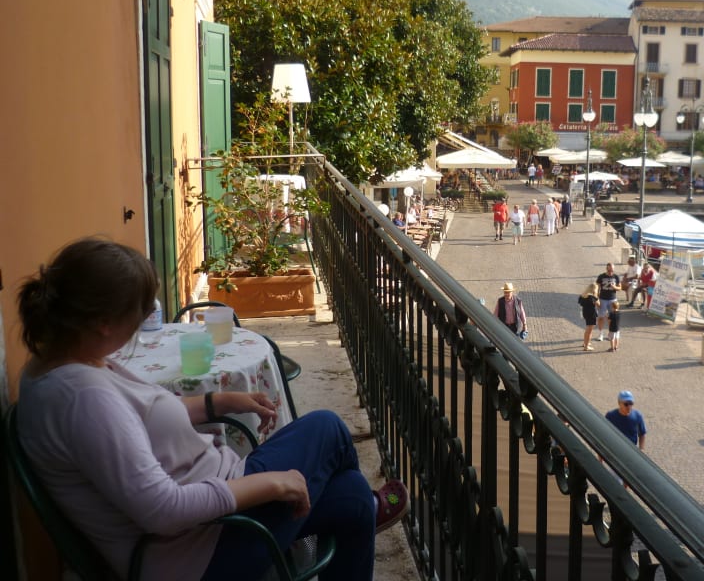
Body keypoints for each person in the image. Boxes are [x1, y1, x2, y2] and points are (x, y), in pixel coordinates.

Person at [15, 237, 409, 581]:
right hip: (201, 552)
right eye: (138, 313)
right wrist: (274, 483)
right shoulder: (84, 399)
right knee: (328, 428)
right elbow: (163, 510)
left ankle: (366, 507)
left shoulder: (64, 360)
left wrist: (217, 401)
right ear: (103, 323)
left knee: (353, 496)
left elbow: (138, 419)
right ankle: (353, 514)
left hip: (209, 520)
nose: (141, 323)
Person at [595, 263, 621, 343]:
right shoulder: (601, 276)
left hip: (612, 300)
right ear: (606, 269)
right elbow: (597, 288)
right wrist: (596, 298)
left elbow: (620, 288)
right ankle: (601, 334)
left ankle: (610, 333)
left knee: (612, 318)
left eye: (612, 270)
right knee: (601, 317)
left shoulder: (616, 277)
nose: (610, 272)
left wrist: (614, 287)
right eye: (609, 270)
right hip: (602, 299)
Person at [577, 283, 600, 351]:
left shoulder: (582, 295)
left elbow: (580, 303)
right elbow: (599, 305)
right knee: (589, 331)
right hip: (591, 314)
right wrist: (596, 296)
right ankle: (586, 346)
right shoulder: (592, 297)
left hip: (585, 312)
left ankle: (585, 343)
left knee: (587, 329)